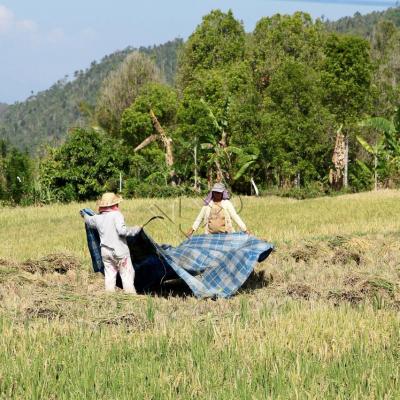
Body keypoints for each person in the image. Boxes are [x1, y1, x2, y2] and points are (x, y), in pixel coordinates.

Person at [83, 192, 141, 294]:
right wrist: (136, 229)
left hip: (105, 252)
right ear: (114, 205)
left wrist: (83, 213)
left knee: (109, 275)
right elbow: (122, 231)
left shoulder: (97, 218)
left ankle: (110, 297)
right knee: (127, 274)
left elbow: (88, 220)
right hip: (119, 252)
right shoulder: (116, 215)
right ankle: (130, 297)